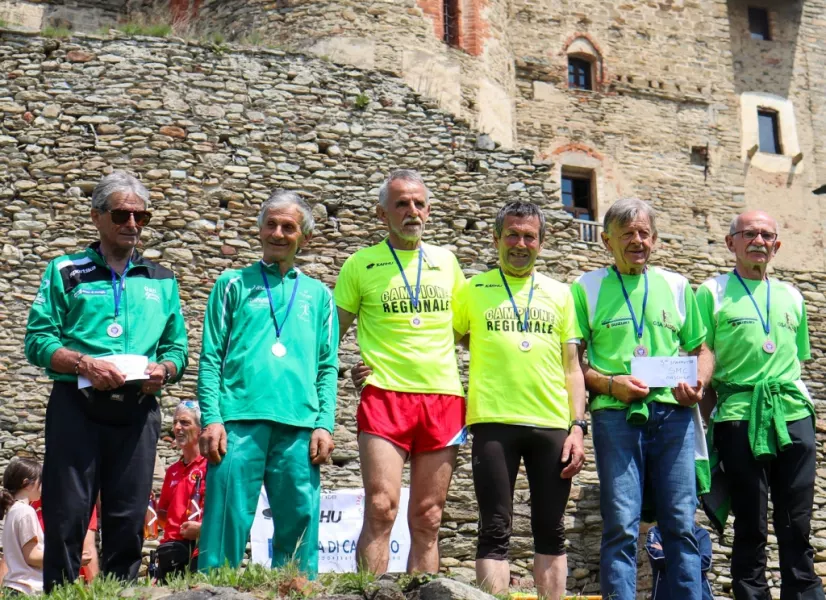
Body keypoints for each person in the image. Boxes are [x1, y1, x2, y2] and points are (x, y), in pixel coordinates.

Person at [24, 171, 189, 591]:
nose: (131, 224)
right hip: (76, 407)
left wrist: (165, 371)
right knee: (67, 515)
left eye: (141, 216)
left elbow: (177, 348)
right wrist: (83, 364)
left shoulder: (162, 279)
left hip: (138, 411)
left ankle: (120, 594)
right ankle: (59, 596)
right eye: (121, 214)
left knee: (128, 518)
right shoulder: (65, 269)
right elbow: (38, 340)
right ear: (97, 216)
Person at [572, 198, 713, 599]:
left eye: (644, 234)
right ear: (607, 240)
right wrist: (610, 384)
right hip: (615, 416)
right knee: (620, 523)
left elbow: (701, 351)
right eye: (627, 234)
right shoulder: (586, 287)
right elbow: (574, 362)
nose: (637, 241)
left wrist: (697, 385)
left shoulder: (677, 285)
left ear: (655, 240)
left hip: (673, 416)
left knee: (681, 522)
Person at [197, 190, 338, 577]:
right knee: (225, 517)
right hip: (238, 420)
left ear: (304, 238)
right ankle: (213, 588)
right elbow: (211, 358)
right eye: (271, 224)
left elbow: (327, 366)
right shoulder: (232, 284)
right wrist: (212, 418)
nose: (278, 232)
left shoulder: (319, 295)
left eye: (288, 227)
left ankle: (295, 588)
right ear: (259, 230)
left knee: (300, 522)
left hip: (299, 424)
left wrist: (325, 422)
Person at [452, 201, 587, 598]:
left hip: (551, 424)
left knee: (551, 528)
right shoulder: (472, 290)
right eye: (512, 234)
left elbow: (573, 369)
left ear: (541, 243)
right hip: (493, 421)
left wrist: (577, 427)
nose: (520, 243)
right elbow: (453, 338)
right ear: (496, 238)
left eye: (529, 236)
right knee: (494, 527)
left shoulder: (561, 294)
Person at [335, 169, 467, 574]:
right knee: (381, 506)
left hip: (443, 396)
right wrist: (345, 371)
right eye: (402, 204)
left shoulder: (447, 262)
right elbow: (328, 337)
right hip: (384, 395)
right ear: (382, 214)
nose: (413, 211)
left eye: (419, 204)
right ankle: (369, 593)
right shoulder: (360, 264)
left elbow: (470, 334)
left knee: (428, 517)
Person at [697, 211, 825, 600]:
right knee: (750, 519)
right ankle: (752, 595)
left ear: (777, 245)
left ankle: (804, 594)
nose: (758, 240)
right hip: (737, 415)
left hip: (792, 412)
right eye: (748, 233)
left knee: (797, 517)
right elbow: (701, 351)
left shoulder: (792, 295)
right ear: (730, 242)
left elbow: (796, 359)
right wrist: (707, 421)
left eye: (767, 235)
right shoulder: (711, 291)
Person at [156, 401, 207, 581]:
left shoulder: (212, 467)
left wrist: (203, 529)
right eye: (175, 422)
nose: (177, 427)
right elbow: (162, 514)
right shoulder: (172, 471)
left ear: (201, 429)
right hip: (170, 552)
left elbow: (226, 510)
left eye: (185, 423)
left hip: (200, 552)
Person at [1, 458, 44, 596]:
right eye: (40, 481)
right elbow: (32, 556)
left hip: (13, 588)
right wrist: (65, 557)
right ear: (27, 484)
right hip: (26, 589)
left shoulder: (13, 511)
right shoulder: (26, 511)